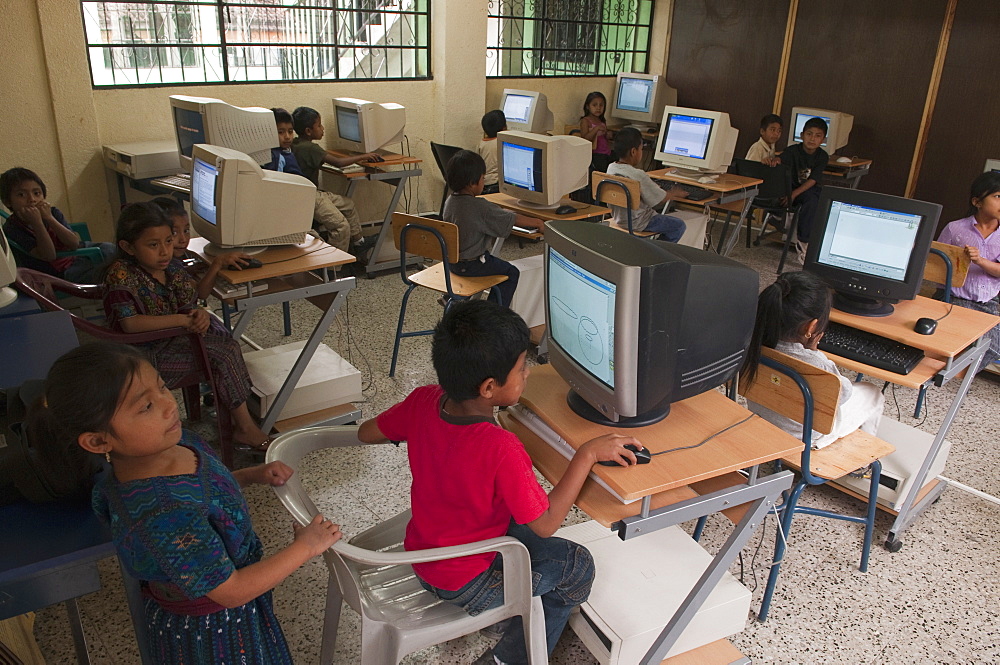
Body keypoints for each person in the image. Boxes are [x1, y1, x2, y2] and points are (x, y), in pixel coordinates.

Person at [358, 300, 644, 665]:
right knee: (576, 565)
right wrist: (585, 455)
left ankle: (508, 619)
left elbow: (367, 433)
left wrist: (422, 434)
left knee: (510, 515)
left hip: (425, 555)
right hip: (464, 582)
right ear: (490, 387)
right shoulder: (500, 447)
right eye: (522, 366)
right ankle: (512, 657)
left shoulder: (423, 400)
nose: (527, 373)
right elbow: (544, 524)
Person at [34, 341, 341, 663]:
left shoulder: (176, 442)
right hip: (214, 631)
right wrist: (305, 547)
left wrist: (251, 475)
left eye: (162, 387)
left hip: (235, 607)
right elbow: (232, 590)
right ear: (98, 441)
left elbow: (205, 493)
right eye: (145, 407)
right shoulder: (164, 514)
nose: (168, 405)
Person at [102, 202, 271, 451]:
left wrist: (197, 312)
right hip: (142, 357)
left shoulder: (171, 267)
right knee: (225, 354)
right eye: (153, 245)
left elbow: (192, 298)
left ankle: (237, 414)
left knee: (223, 342)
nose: (164, 251)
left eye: (168, 241)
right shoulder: (121, 275)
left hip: (172, 341)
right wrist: (184, 320)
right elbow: (131, 324)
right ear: (128, 247)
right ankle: (244, 427)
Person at [741, 271, 884, 449]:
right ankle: (863, 463)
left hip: (762, 421)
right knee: (872, 392)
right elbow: (843, 394)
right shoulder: (816, 365)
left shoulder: (751, 345)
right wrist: (815, 352)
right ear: (811, 326)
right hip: (805, 437)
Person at [267, 107, 375, 263]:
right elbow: (338, 162)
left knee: (348, 204)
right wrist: (364, 157)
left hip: (311, 192)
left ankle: (358, 243)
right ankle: (333, 268)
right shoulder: (306, 148)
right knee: (341, 226)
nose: (323, 128)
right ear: (308, 131)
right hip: (309, 195)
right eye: (319, 125)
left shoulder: (295, 146)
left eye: (290, 131)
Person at [442, 150, 542, 307]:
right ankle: (493, 313)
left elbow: (494, 216)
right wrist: (538, 223)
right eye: (483, 178)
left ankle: (455, 298)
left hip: (452, 263)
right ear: (471, 182)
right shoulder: (480, 207)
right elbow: (511, 219)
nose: (484, 182)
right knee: (511, 272)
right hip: (471, 265)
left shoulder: (450, 201)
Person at [0, 167, 114, 283]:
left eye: (36, 193)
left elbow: (73, 243)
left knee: (111, 249)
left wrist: (49, 218)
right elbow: (49, 256)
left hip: (76, 253)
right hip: (60, 271)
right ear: (7, 201)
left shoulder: (53, 212)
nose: (32, 199)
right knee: (112, 273)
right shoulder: (12, 228)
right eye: (21, 195)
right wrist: (37, 223)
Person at [936, 171, 1000, 371]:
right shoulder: (955, 229)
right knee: (938, 336)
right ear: (977, 201)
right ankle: (939, 369)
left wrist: (980, 261)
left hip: (988, 303)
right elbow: (937, 264)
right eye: (998, 197)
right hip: (953, 298)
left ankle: (954, 372)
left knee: (995, 347)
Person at [149, 196, 253, 300]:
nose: (183, 239)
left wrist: (187, 271)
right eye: (174, 233)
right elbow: (200, 293)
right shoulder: (166, 266)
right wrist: (217, 264)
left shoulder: (171, 265)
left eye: (186, 230)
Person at [607, 128, 687, 242]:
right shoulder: (638, 175)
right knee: (678, 226)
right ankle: (657, 252)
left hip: (619, 218)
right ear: (633, 152)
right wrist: (674, 193)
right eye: (641, 149)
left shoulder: (611, 168)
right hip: (639, 222)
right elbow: (660, 198)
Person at [780, 117, 829, 262]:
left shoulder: (822, 156)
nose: (812, 138)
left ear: (823, 139)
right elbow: (779, 162)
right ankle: (801, 240)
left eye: (817, 135)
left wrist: (795, 194)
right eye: (809, 134)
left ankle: (808, 242)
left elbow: (813, 180)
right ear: (802, 135)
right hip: (789, 189)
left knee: (817, 199)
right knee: (810, 200)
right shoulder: (791, 151)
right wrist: (774, 160)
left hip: (806, 190)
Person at [579, 91, 614, 174]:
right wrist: (596, 129)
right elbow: (585, 139)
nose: (598, 108)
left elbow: (604, 137)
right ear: (587, 106)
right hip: (595, 154)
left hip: (606, 152)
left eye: (601, 105)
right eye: (594, 105)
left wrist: (608, 134)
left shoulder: (601, 120)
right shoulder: (585, 121)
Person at [478, 109, 507, 195]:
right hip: (496, 186)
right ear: (504, 128)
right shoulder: (501, 143)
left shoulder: (482, 144)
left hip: (484, 184)